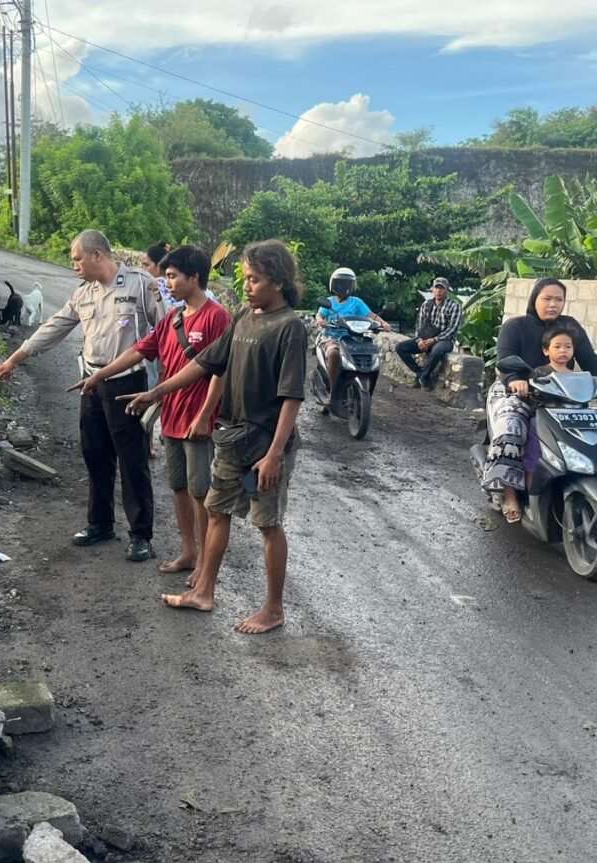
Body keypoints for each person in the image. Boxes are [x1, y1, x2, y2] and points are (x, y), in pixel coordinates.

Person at [120, 240, 306, 634]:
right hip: (232, 437)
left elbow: (291, 399)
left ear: (278, 281)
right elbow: (205, 364)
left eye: (255, 279)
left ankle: (273, 608)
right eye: (246, 278)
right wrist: (157, 392)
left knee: (267, 523)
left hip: (265, 443)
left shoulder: (289, 327)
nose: (248, 286)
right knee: (217, 511)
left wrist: (274, 455)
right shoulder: (244, 316)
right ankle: (204, 590)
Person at [0, 229, 165, 560]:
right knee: (95, 453)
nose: (75, 266)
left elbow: (166, 331)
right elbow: (54, 327)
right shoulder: (84, 294)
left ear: (98, 255)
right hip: (91, 383)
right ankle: (100, 524)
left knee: (132, 459)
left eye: (78, 259)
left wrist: (164, 389)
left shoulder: (141, 285)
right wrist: (15, 358)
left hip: (128, 383)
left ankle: (141, 534)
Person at [70, 245, 232, 580]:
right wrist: (99, 375)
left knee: (201, 492)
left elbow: (221, 370)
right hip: (171, 417)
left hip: (197, 419)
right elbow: (141, 349)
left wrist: (205, 415)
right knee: (179, 487)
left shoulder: (217, 317)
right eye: (166, 276)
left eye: (172, 276)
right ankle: (189, 552)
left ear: (195, 277)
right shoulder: (174, 318)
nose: (166, 283)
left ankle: (204, 563)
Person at [483, 277, 597, 523]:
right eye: (547, 298)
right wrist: (515, 378)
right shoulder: (516, 326)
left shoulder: (571, 327)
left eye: (559, 299)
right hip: (516, 392)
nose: (553, 304)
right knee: (511, 430)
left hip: (560, 394)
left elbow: (590, 362)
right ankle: (509, 492)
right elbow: (505, 359)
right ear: (535, 298)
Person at [315, 267, 391, 411]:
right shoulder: (329, 302)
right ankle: (333, 391)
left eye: (347, 284)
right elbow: (320, 315)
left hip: (353, 339)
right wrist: (320, 320)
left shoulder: (357, 302)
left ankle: (364, 389)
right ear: (333, 285)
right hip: (332, 337)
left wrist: (383, 323)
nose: (343, 287)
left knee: (371, 353)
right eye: (340, 284)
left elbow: (371, 315)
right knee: (333, 354)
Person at [522, 325, 582, 483]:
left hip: (571, 421)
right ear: (546, 350)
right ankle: (532, 493)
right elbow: (533, 400)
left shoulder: (578, 377)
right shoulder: (540, 374)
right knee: (535, 453)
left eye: (568, 346)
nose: (563, 350)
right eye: (557, 346)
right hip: (545, 421)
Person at [394, 277, 463, 390]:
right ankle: (420, 372)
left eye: (442, 288)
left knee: (438, 351)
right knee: (400, 347)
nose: (438, 291)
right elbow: (419, 325)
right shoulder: (426, 304)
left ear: (447, 291)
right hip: (425, 337)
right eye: (436, 288)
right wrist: (419, 340)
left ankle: (424, 377)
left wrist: (434, 340)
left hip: (444, 339)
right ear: (432, 289)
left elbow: (452, 329)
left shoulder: (454, 306)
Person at [141, 242, 180, 309]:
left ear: (159, 265)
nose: (143, 269)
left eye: (147, 265)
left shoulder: (151, 286)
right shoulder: (178, 286)